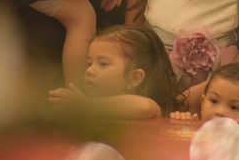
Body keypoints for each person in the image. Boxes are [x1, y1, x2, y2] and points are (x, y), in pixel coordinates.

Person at [48, 26, 182, 119]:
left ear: (134, 78)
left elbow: (147, 108)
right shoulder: (94, 107)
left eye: (103, 64)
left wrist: (85, 105)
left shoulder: (142, 109)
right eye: (89, 63)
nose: (89, 70)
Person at [169, 62, 239, 126]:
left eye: (234, 107)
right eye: (214, 101)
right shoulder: (194, 127)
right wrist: (181, 125)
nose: (220, 112)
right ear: (202, 102)